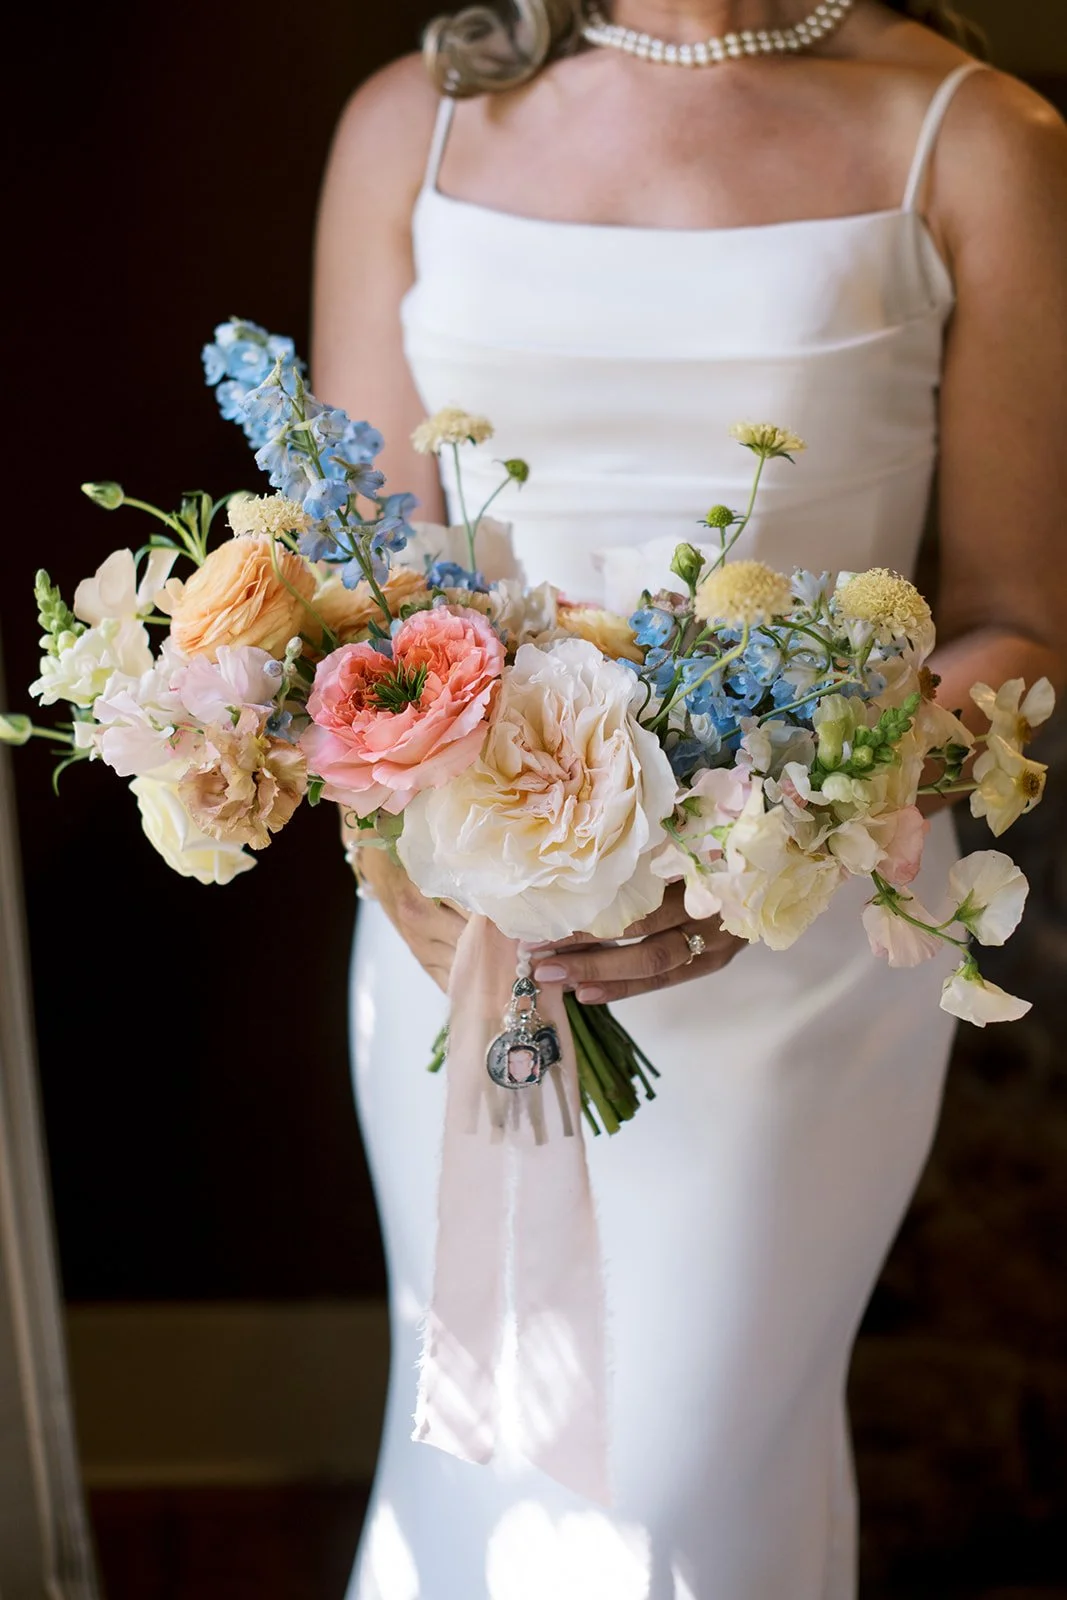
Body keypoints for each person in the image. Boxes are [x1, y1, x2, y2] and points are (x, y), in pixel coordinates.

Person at [310, 2, 1067, 1594]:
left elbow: (1017, 622)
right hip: (465, 927)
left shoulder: (975, 139)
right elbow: (349, 599)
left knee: (675, 1494)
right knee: (472, 1460)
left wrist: (780, 823)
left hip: (794, 940)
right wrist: (397, 845)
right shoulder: (409, 125)